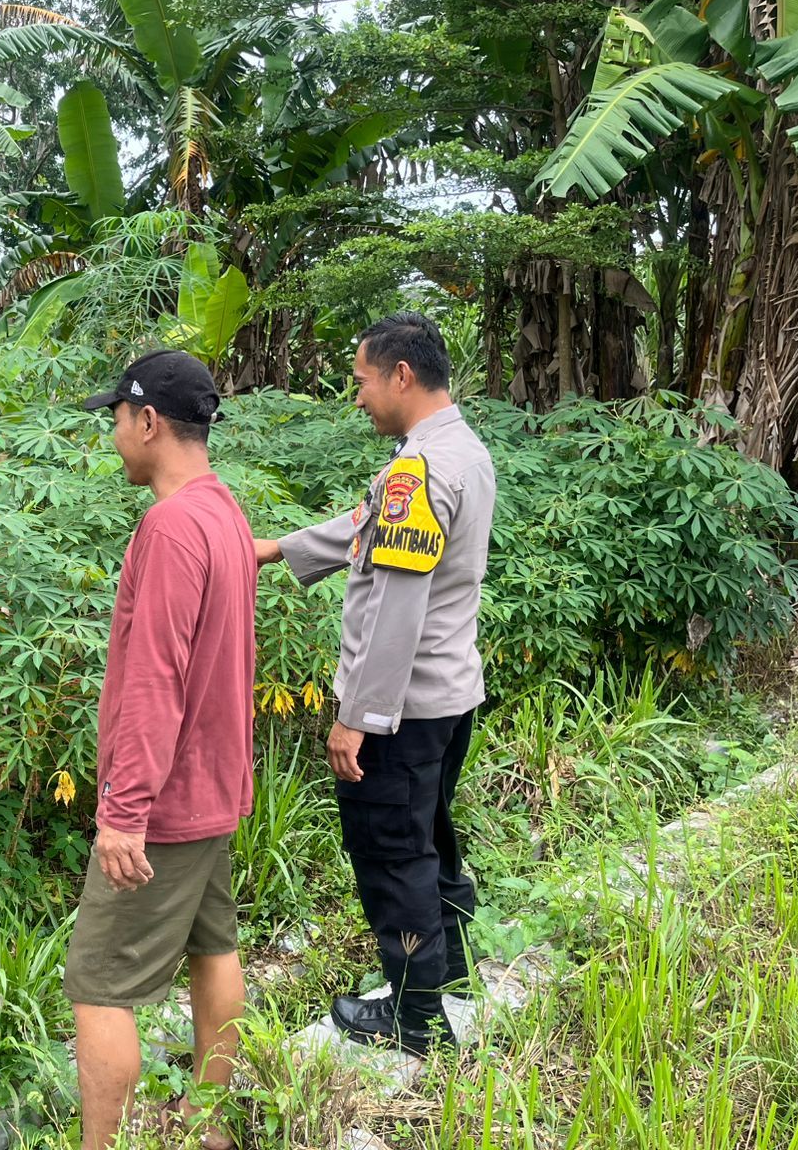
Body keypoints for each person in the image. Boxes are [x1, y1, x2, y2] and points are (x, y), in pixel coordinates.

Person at [255, 312, 495, 1058]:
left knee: (394, 856)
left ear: (401, 375)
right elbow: (370, 527)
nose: (356, 396)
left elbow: (394, 607)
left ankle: (416, 1019)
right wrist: (279, 548)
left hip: (400, 712)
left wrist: (356, 717)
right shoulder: (458, 451)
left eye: (361, 381)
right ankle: (451, 978)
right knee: (428, 839)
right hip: (447, 698)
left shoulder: (416, 471)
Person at [66, 349, 257, 1150]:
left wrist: (124, 811)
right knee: (215, 947)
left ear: (148, 422)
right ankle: (209, 1127)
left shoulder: (172, 526)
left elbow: (155, 679)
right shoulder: (224, 510)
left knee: (98, 984)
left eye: (116, 418)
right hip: (214, 789)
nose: (114, 434)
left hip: (168, 805)